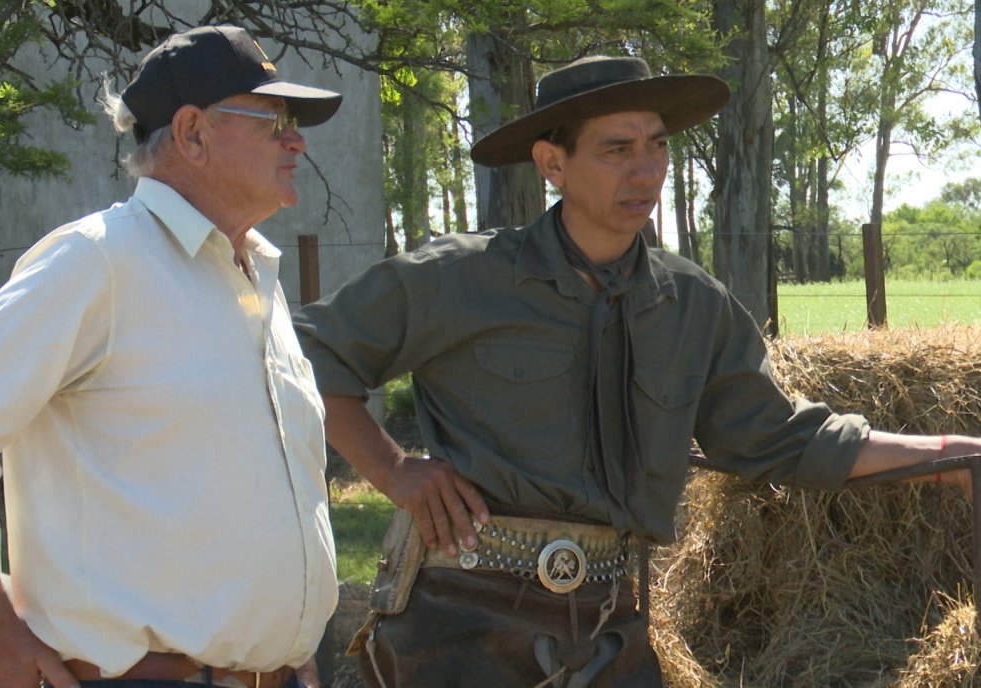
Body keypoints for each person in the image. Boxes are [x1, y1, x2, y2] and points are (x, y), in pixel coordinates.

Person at [293, 54, 976, 687]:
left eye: (656, 146)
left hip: (608, 631)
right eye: (617, 150)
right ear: (551, 163)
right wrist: (392, 469)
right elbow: (304, 352)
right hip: (461, 622)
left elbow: (782, 437)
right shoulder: (460, 278)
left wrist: (947, 454)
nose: (645, 171)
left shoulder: (693, 305)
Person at [0, 25, 344, 688]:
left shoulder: (253, 276)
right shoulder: (97, 261)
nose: (297, 140)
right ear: (191, 134)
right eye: (274, 119)